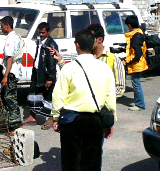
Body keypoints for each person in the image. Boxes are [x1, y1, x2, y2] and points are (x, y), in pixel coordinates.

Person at [52, 29, 116, 171]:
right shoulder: (105, 68)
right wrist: (110, 121)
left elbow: (59, 96)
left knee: (71, 161)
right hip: (96, 119)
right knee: (92, 161)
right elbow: (110, 98)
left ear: (78, 45)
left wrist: (56, 118)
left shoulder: (69, 68)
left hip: (72, 119)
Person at [23, 22, 58, 130]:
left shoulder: (51, 44)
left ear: (48, 32)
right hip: (37, 72)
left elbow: (51, 63)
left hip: (46, 74)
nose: (41, 35)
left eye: (43, 33)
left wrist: (50, 78)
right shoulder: (40, 41)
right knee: (33, 93)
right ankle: (32, 117)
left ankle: (50, 119)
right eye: (40, 33)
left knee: (48, 96)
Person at [0, 16, 23, 134]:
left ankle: (16, 126)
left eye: (2, 26)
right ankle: (10, 124)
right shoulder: (16, 37)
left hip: (11, 73)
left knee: (10, 99)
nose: (1, 28)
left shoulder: (10, 39)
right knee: (8, 98)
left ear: (7, 25)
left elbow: (10, 58)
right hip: (14, 71)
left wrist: (6, 76)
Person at [87, 24, 126, 97]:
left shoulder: (114, 59)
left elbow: (120, 88)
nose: (87, 42)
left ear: (100, 40)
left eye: (90, 39)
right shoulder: (85, 57)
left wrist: (102, 99)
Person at [122, 15, 148, 111]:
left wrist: (126, 61)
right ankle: (139, 103)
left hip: (137, 64)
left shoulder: (136, 36)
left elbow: (137, 54)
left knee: (136, 84)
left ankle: (140, 104)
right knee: (136, 83)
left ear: (129, 25)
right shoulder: (139, 33)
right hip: (139, 63)